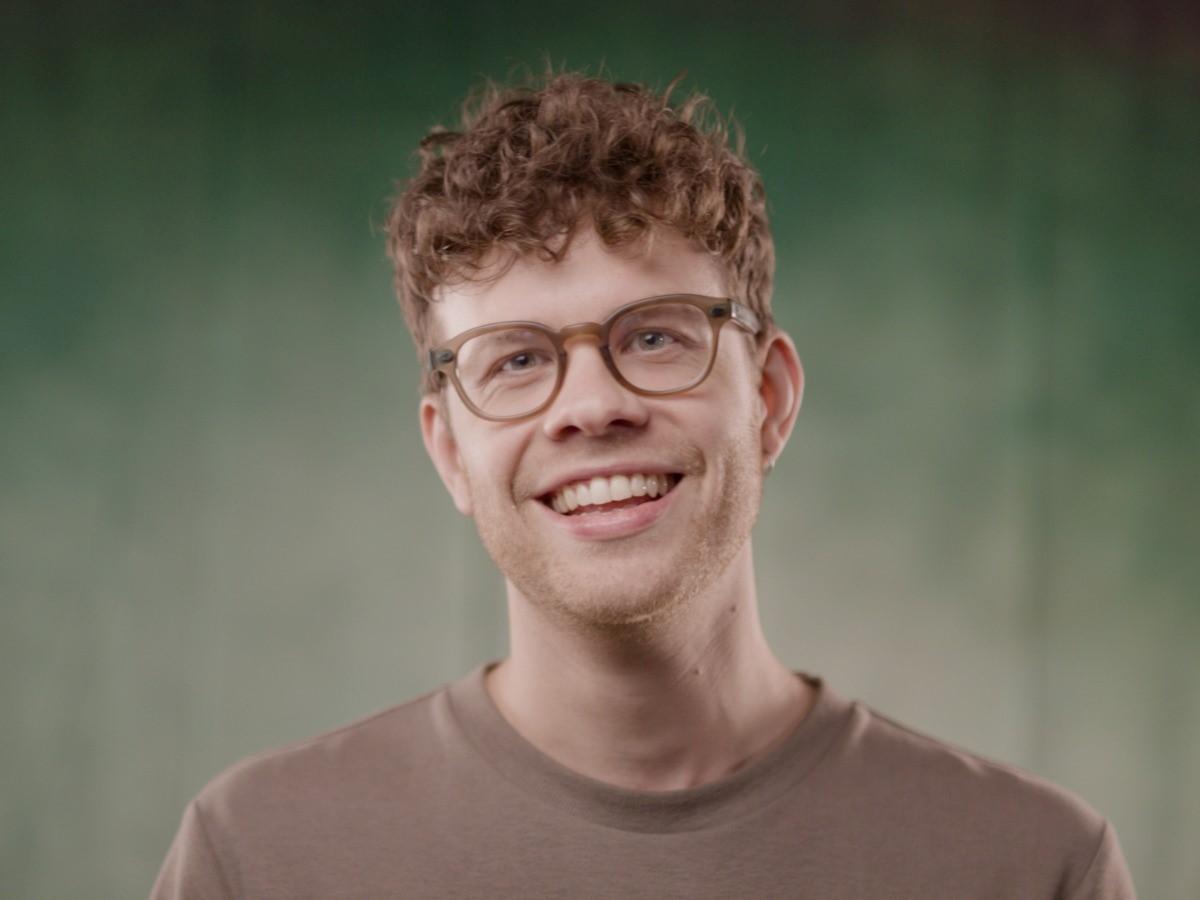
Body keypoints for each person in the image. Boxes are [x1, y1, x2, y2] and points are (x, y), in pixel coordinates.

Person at [151, 70, 1137, 899]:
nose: (589, 406)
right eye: (515, 361)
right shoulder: (260, 859)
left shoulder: (1033, 867)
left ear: (770, 397)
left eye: (656, 336)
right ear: (449, 451)